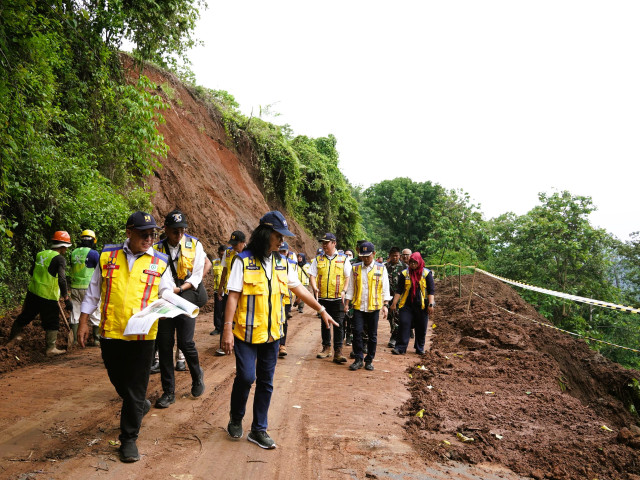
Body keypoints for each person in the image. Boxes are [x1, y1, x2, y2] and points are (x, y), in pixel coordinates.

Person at [223, 211, 337, 449]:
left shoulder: (283, 263)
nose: (281, 241)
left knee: (266, 381)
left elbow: (300, 290)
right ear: (266, 234)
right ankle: (236, 416)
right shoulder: (242, 261)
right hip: (245, 333)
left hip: (273, 334)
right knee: (246, 377)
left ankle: (258, 430)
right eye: (278, 235)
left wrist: (321, 309)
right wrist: (226, 329)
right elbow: (233, 296)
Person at [77, 211, 173, 463]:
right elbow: (92, 292)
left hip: (143, 335)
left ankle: (128, 439)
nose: (149, 239)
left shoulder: (160, 262)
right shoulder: (107, 256)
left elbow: (167, 293)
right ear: (129, 233)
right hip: (111, 332)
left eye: (152, 234)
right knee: (118, 379)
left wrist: (166, 307)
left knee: (136, 385)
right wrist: (83, 323)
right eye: (144, 234)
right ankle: (137, 403)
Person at [152, 210, 208, 409]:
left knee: (185, 342)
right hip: (167, 295)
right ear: (165, 229)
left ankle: (197, 375)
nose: (179, 235)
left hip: (188, 291)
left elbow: (197, 275)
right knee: (164, 344)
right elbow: (158, 277)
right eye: (175, 231)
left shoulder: (195, 244)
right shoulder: (156, 248)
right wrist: (168, 295)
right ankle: (168, 392)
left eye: (182, 230)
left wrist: (180, 289)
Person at [8, 231, 73, 356]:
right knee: (52, 321)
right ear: (63, 246)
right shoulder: (60, 259)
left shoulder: (40, 254)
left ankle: (12, 338)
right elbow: (62, 279)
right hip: (47, 296)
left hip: (33, 292)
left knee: (25, 316)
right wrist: (66, 298)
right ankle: (51, 348)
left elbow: (32, 271)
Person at [345, 242, 391, 371]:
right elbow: (351, 288)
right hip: (359, 306)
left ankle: (369, 360)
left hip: (374, 306)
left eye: (368, 256)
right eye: (363, 256)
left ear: (374, 254)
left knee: (372, 335)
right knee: (357, 332)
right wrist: (347, 304)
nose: (365, 259)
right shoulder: (355, 268)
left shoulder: (381, 268)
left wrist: (385, 305)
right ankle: (358, 359)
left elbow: (385, 288)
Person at [309, 233, 352, 364]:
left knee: (338, 324)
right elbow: (312, 275)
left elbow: (348, 276)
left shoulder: (343, 259)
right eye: (323, 242)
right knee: (325, 323)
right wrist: (315, 287)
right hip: (323, 297)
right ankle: (326, 348)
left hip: (338, 297)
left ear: (334, 243)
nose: (324, 245)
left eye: (326, 242)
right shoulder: (318, 259)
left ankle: (338, 351)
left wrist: (344, 291)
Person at [389, 252, 435, 355]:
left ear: (419, 262)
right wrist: (394, 303)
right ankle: (400, 347)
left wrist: (431, 305)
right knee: (404, 324)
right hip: (407, 305)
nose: (413, 265)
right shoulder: (405, 274)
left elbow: (431, 291)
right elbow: (399, 290)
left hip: (422, 305)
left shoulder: (427, 274)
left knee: (421, 327)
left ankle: (419, 348)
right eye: (411, 262)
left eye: (415, 263)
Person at [68, 230, 101, 346]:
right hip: (89, 287)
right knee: (95, 311)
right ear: (93, 240)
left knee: (75, 311)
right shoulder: (93, 254)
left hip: (75, 287)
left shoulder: (73, 252)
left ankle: (76, 341)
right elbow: (100, 270)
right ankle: (96, 339)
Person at [216, 230, 246, 356]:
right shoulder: (228, 253)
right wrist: (220, 287)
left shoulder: (249, 255)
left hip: (244, 292)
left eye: (236, 244)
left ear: (243, 243)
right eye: (232, 243)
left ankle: (242, 345)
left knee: (241, 317)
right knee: (226, 317)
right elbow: (224, 270)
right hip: (230, 290)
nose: (233, 246)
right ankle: (224, 345)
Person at [277, 242, 297, 358]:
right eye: (280, 251)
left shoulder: (290, 265)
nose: (282, 254)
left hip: (286, 298)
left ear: (288, 253)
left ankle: (282, 345)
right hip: (274, 298)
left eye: (284, 252)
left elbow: (295, 283)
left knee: (283, 321)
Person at [384, 246, 406, 349]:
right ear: (390, 256)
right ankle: (394, 332)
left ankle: (395, 336)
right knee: (390, 316)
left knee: (397, 316)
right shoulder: (385, 267)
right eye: (393, 256)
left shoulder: (404, 267)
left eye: (396, 256)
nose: (395, 258)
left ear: (399, 256)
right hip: (388, 296)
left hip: (401, 296)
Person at [210, 244, 226, 335]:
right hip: (217, 290)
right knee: (218, 310)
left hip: (227, 290)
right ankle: (218, 328)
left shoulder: (230, 262)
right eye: (220, 254)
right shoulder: (214, 262)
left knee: (227, 310)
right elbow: (213, 275)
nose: (221, 256)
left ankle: (226, 328)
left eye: (223, 254)